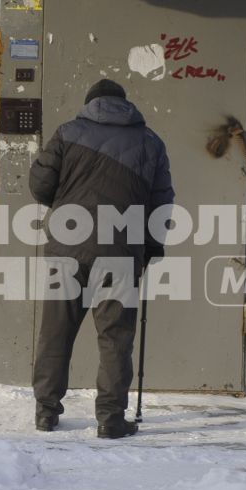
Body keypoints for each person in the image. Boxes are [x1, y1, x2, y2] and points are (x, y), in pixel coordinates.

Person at [29, 78, 174, 438]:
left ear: (90, 103)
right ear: (123, 104)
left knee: (56, 332)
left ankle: (46, 412)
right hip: (121, 252)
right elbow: (161, 202)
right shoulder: (150, 141)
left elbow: (40, 185)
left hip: (67, 249)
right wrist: (153, 246)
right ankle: (110, 419)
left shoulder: (67, 133)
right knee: (115, 336)